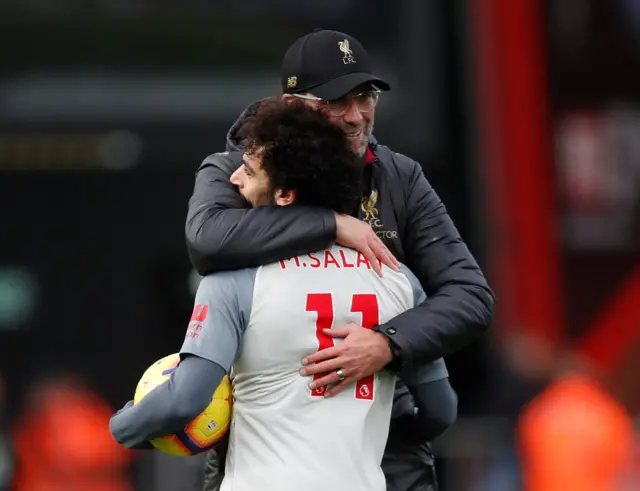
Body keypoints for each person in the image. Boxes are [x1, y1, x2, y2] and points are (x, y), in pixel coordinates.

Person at [186, 29, 495, 491]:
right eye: (334, 102)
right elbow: (208, 240)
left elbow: (471, 296)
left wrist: (387, 345)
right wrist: (333, 224)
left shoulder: (400, 177)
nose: (356, 116)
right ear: (293, 107)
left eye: (365, 96)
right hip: (262, 455)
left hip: (387, 456)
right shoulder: (235, 167)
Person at [110, 100, 453, 491]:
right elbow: (440, 411)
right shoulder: (399, 281)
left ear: (285, 195)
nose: (235, 178)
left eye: (250, 170)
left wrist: (122, 426)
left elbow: (182, 402)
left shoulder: (234, 281)